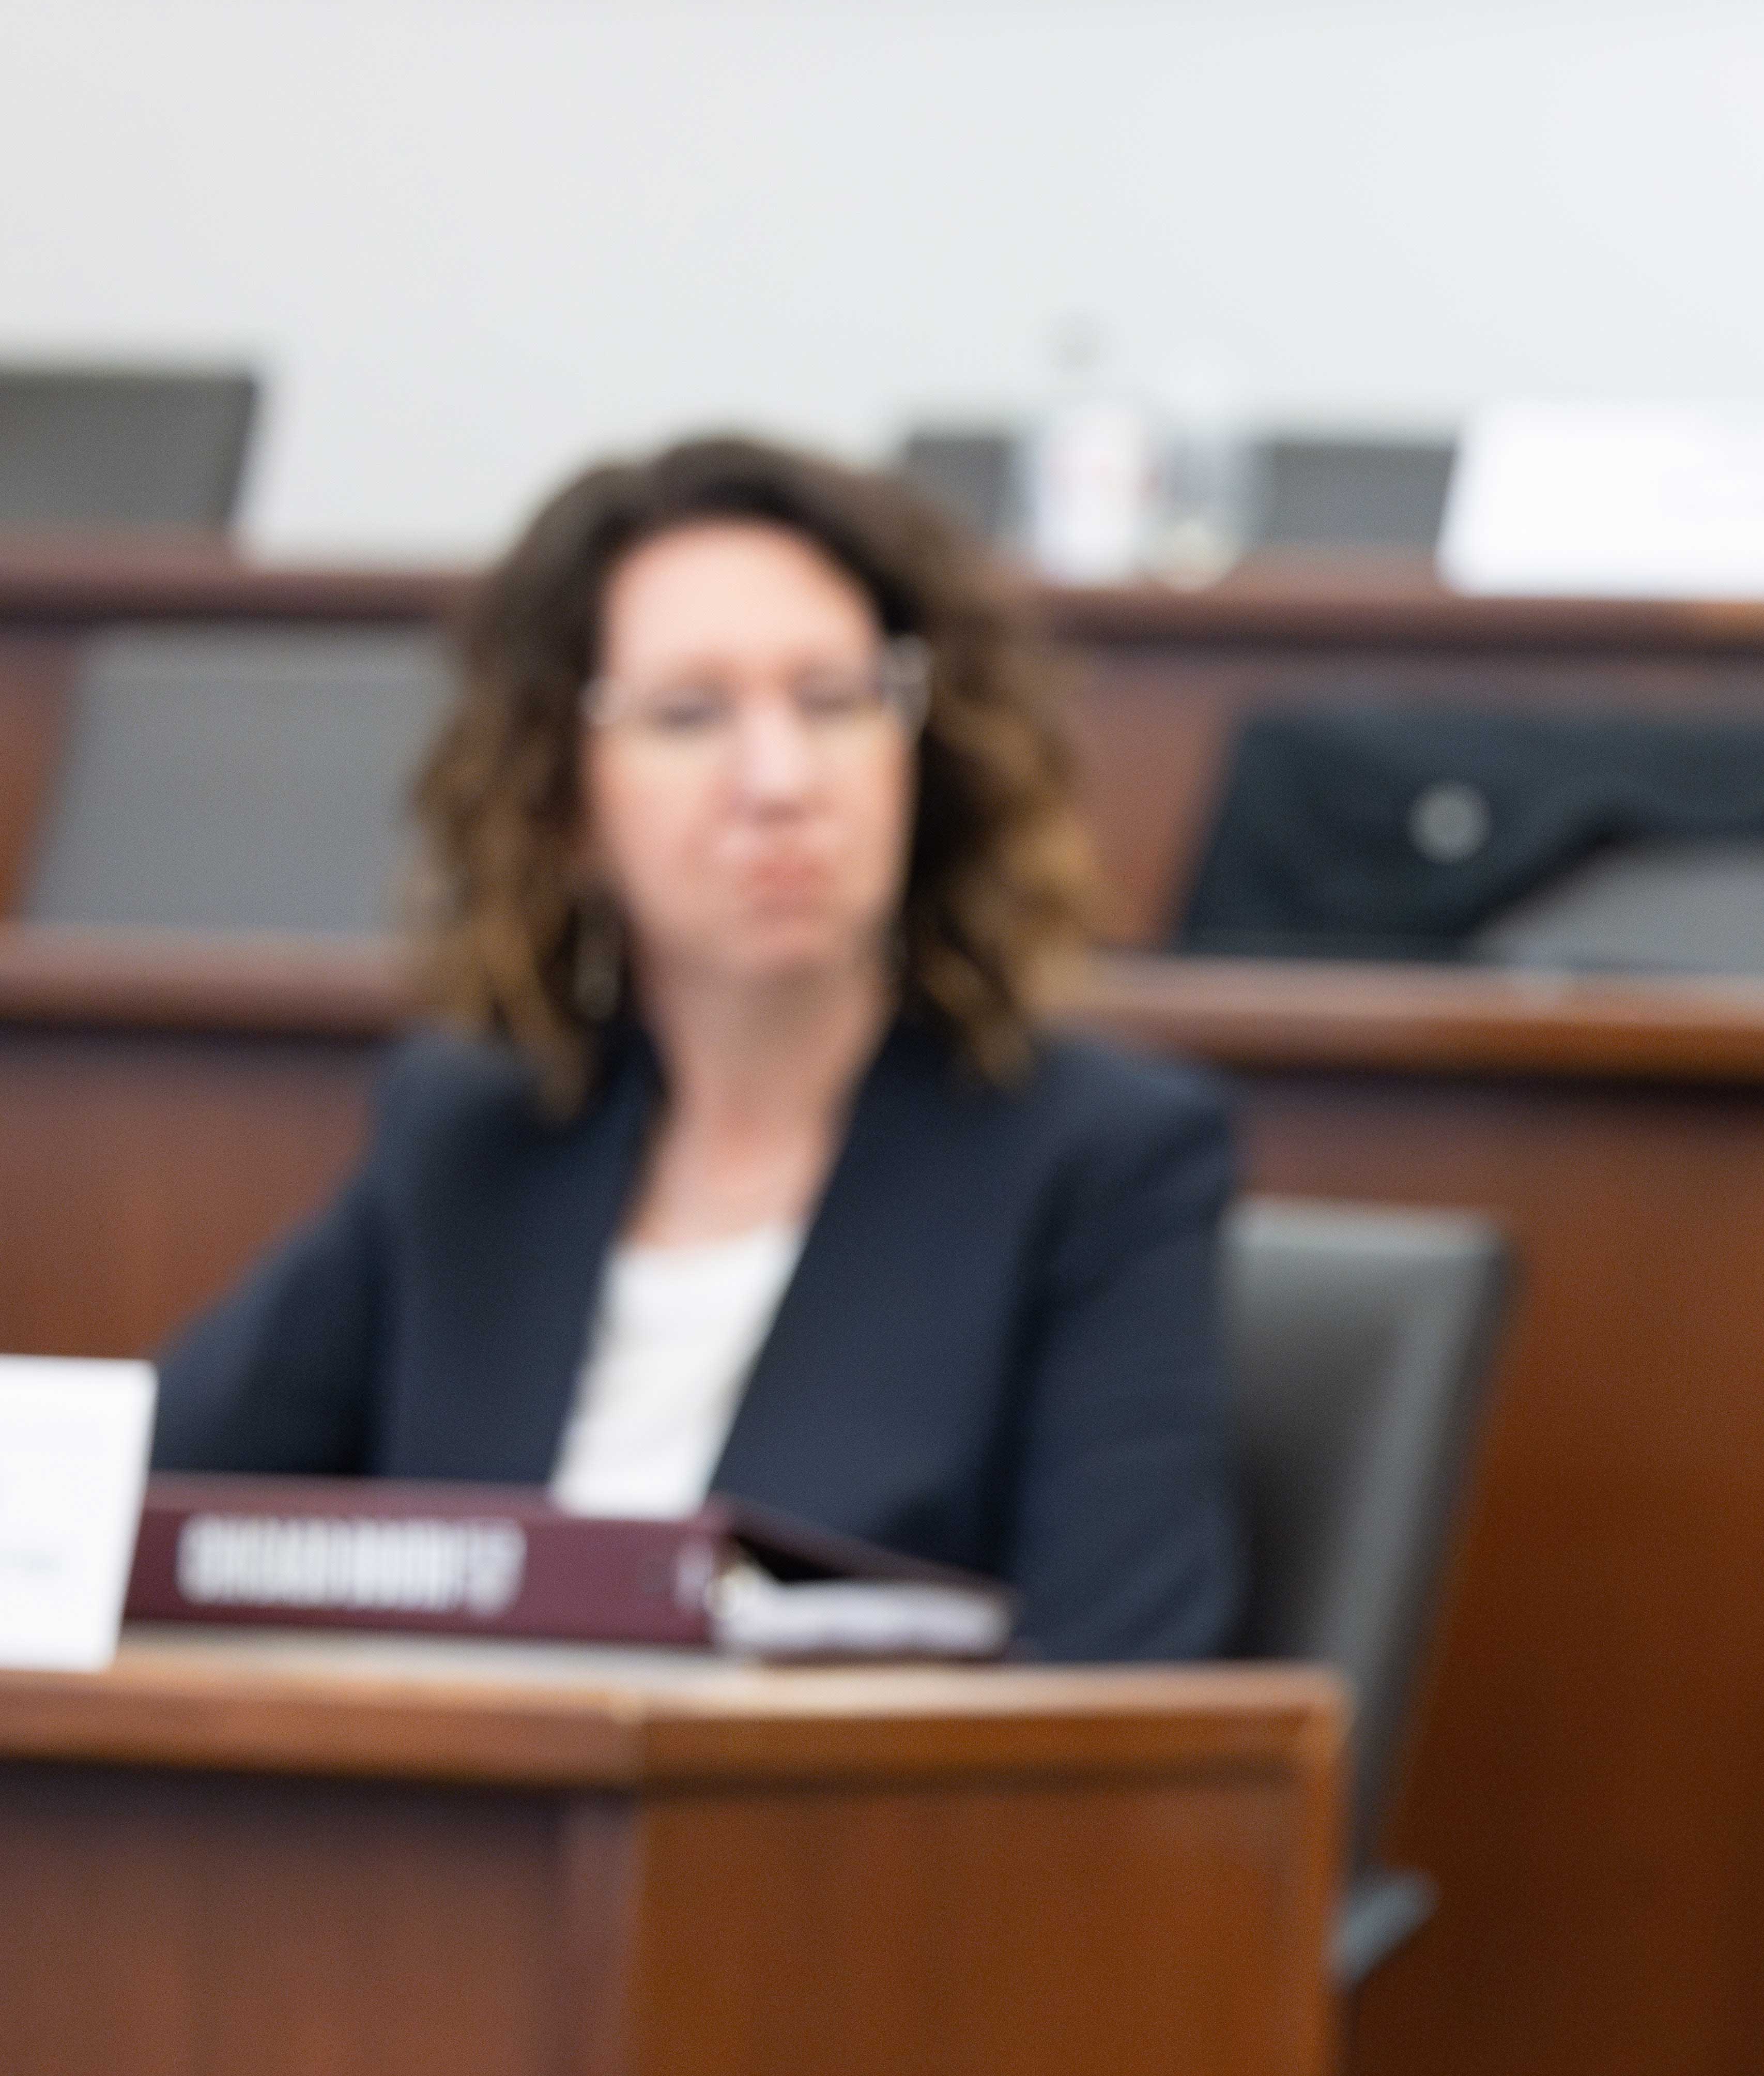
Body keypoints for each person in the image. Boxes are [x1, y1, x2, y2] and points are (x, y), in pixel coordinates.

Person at [152, 435, 1241, 1663]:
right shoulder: (469, 1138)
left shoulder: (1095, 1159)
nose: (778, 780)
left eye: (833, 701)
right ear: (563, 795)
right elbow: (128, 1519)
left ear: (921, 751)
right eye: (688, 714)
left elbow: (1125, 1681)